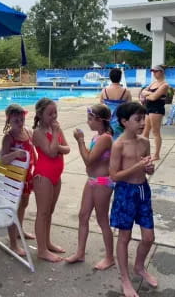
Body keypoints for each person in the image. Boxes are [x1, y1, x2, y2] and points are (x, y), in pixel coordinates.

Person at [110, 102, 156, 297]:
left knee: (149, 237)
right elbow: (114, 176)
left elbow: (147, 169)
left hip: (142, 191)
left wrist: (148, 168)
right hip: (125, 193)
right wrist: (138, 167)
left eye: (143, 118)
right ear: (124, 121)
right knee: (124, 237)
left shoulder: (144, 142)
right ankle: (125, 279)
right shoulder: (118, 145)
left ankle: (139, 266)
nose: (142, 122)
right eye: (138, 119)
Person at [65, 104, 115, 270]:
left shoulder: (106, 138)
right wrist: (84, 143)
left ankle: (109, 257)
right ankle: (80, 252)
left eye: (90, 119)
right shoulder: (97, 137)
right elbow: (90, 156)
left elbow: (89, 160)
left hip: (102, 182)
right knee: (83, 215)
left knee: (102, 219)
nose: (87, 122)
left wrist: (80, 140)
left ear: (99, 120)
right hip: (92, 180)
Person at [32, 98, 70, 262]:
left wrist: (57, 144)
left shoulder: (57, 128)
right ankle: (41, 250)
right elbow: (51, 153)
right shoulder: (38, 133)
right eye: (50, 113)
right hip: (43, 176)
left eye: (55, 112)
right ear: (40, 115)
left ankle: (47, 243)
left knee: (50, 212)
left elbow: (66, 148)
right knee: (42, 213)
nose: (54, 116)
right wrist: (55, 136)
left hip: (56, 176)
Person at [0, 104, 36, 256]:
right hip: (13, 177)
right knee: (13, 208)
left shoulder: (27, 131)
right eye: (16, 121)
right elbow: (2, 159)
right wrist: (15, 155)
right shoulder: (9, 137)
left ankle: (19, 231)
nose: (20, 123)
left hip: (27, 175)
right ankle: (13, 243)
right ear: (9, 121)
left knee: (24, 204)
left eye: (22, 119)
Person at [141, 65, 169, 161]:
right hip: (148, 108)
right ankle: (144, 152)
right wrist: (150, 94)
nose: (154, 73)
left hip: (157, 109)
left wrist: (148, 95)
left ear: (161, 72)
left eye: (155, 71)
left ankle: (156, 154)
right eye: (153, 71)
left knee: (155, 132)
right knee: (145, 131)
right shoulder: (153, 83)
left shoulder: (164, 85)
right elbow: (143, 92)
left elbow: (153, 98)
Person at [100, 68, 132, 139]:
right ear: (120, 78)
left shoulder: (104, 91)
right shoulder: (126, 92)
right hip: (120, 123)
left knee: (107, 141)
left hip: (107, 122)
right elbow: (130, 109)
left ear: (110, 78)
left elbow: (101, 108)